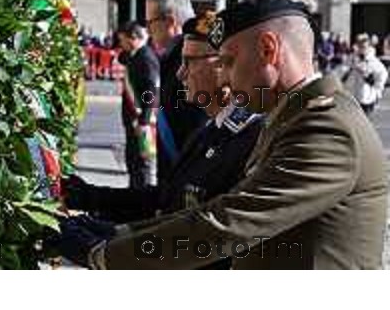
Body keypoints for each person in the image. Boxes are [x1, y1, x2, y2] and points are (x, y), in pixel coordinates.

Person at [58, 0, 388, 270]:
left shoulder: (325, 127)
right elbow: (188, 209)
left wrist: (103, 254)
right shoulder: (291, 116)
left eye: (228, 62)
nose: (225, 79)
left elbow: (229, 223)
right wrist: (115, 234)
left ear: (269, 50)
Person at [63, 12, 263, 226]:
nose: (180, 73)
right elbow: (167, 198)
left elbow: (203, 226)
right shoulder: (208, 131)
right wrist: (88, 197)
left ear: (222, 66)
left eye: (190, 62)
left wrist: (103, 246)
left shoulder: (248, 139)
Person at [145, 0, 207, 187]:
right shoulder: (169, 58)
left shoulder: (190, 61)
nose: (147, 30)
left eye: (150, 22)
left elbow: (197, 124)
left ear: (170, 22)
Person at [117, 21, 160, 189]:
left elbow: (152, 90)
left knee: (142, 163)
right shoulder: (136, 54)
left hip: (142, 122)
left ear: (133, 38)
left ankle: (141, 199)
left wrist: (144, 120)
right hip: (135, 120)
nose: (120, 44)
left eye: (122, 40)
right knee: (133, 161)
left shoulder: (146, 57)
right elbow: (122, 57)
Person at [342, 34, 388, 115]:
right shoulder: (351, 58)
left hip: (366, 99)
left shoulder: (373, 62)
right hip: (350, 98)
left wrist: (377, 93)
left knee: (362, 125)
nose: (361, 48)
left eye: (364, 46)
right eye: (359, 45)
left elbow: (382, 76)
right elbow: (340, 72)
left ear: (368, 46)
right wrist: (350, 69)